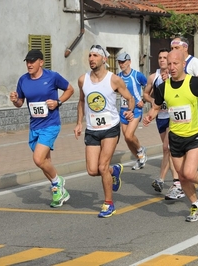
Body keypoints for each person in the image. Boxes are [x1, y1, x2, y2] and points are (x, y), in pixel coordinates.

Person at [143, 50, 198, 222]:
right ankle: (195, 206)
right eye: (169, 64)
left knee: (190, 172)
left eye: (175, 63)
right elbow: (155, 107)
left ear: (183, 64)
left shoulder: (196, 83)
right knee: (181, 176)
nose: (171, 67)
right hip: (175, 137)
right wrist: (149, 116)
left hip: (195, 135)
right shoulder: (163, 87)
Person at [74, 45, 135, 218]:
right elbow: (81, 102)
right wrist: (79, 123)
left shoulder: (113, 79)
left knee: (102, 166)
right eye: (90, 55)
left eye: (95, 55)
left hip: (110, 128)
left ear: (104, 59)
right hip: (92, 129)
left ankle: (109, 203)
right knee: (92, 170)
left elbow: (129, 98)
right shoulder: (82, 80)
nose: (91, 59)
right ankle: (114, 171)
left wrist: (130, 111)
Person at [10, 49, 74, 208]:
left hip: (51, 124)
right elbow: (19, 103)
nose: (29, 64)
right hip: (34, 126)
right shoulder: (23, 80)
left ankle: (57, 182)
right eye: (27, 61)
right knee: (45, 161)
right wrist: (15, 100)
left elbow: (70, 89)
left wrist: (58, 102)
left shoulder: (52, 76)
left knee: (38, 159)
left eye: (32, 61)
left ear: (41, 62)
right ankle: (59, 193)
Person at [169, 36, 198, 198]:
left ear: (185, 48)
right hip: (177, 116)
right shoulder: (173, 63)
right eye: (171, 47)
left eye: (176, 47)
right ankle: (179, 183)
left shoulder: (193, 62)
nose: (173, 50)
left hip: (195, 112)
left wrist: (193, 101)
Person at [143, 48, 180, 196]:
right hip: (161, 117)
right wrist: (154, 101)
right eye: (160, 57)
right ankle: (165, 179)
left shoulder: (175, 75)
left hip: (173, 117)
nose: (162, 60)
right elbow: (145, 93)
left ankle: (173, 180)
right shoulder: (154, 77)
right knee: (167, 149)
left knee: (168, 147)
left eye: (165, 57)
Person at [116, 52, 148, 169]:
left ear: (129, 61)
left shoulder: (137, 75)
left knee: (129, 136)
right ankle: (139, 159)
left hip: (135, 110)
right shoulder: (118, 77)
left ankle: (140, 150)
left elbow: (149, 87)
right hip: (123, 110)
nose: (121, 64)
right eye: (119, 62)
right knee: (127, 138)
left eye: (123, 62)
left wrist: (143, 100)